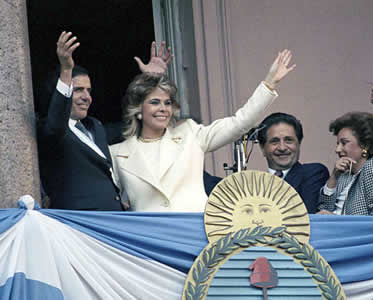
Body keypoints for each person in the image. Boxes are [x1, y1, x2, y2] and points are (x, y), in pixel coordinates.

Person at [111, 50, 296, 212]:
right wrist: (149, 79)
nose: (163, 108)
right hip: (150, 244)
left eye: (167, 103)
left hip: (196, 238)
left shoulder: (190, 134)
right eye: (154, 102)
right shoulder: (118, 154)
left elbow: (239, 123)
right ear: (138, 110)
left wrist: (270, 83)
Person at [37, 31, 172, 210]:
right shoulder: (49, 129)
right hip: (81, 226)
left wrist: (151, 82)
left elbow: (137, 122)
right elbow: (55, 126)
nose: (87, 97)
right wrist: (66, 70)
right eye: (78, 90)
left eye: (89, 91)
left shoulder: (95, 127)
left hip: (111, 222)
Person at [318, 112, 373, 216]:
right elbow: (323, 209)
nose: (337, 149)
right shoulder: (344, 176)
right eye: (337, 144)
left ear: (365, 144)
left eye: (344, 142)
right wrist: (333, 177)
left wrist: (337, 221)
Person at [257, 113, 329, 213]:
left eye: (289, 140)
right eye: (275, 141)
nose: (282, 148)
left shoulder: (313, 173)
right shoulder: (255, 186)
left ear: (299, 144)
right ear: (262, 148)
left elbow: (304, 215)